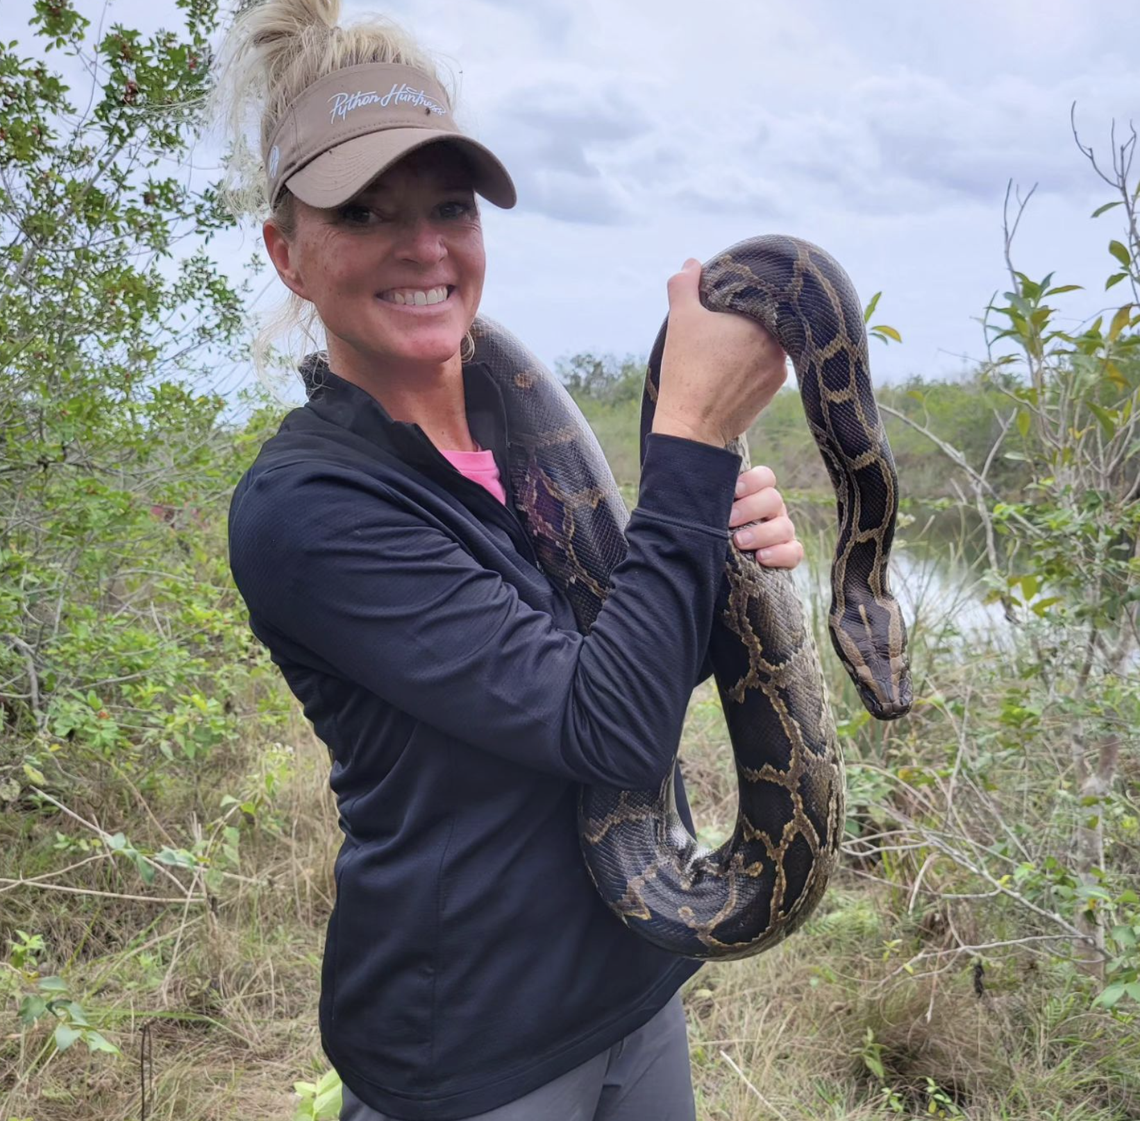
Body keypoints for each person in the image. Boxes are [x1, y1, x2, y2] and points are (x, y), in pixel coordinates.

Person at [215, 2, 800, 1118]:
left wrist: (721, 558)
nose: (423, 244)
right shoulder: (309, 508)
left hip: (638, 984)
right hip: (472, 1054)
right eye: (364, 211)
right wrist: (691, 450)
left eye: (449, 205)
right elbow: (604, 727)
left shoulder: (518, 432)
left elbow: (620, 663)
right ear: (288, 253)